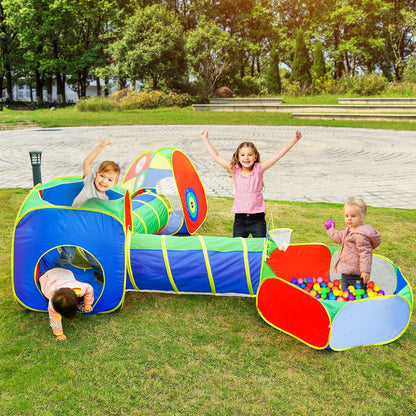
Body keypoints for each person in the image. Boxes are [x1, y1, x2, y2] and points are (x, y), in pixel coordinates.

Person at [200, 128, 302, 238]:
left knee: (260, 249)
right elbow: (216, 156)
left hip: (258, 220)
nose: (246, 158)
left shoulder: (259, 169)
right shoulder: (235, 170)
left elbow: (278, 155)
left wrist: (294, 140)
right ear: (238, 158)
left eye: (250, 155)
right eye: (242, 155)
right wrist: (205, 139)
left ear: (255, 157)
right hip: (240, 220)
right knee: (239, 249)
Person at [54, 138, 120, 281]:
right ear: (96, 175)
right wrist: (100, 147)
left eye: (110, 180)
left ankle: (100, 275)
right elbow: (86, 163)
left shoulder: (105, 201)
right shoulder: (89, 182)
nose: (104, 181)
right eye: (102, 176)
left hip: (88, 231)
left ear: (115, 184)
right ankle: (54, 275)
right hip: (71, 226)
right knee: (67, 256)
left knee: (94, 256)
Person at [326, 197, 381, 291]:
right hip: (346, 271)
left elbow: (365, 254)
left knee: (358, 295)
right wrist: (331, 230)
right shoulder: (347, 230)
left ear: (362, 217)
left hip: (356, 275)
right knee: (345, 294)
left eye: (353, 216)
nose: (349, 219)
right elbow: (338, 236)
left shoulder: (360, 235)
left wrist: (365, 271)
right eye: (346, 216)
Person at [39, 267, 94, 340]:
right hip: (46, 278)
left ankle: (79, 303)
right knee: (48, 301)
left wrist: (88, 304)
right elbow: (54, 318)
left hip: (63, 273)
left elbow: (89, 288)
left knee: (80, 298)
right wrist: (59, 334)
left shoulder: (79, 289)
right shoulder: (52, 304)